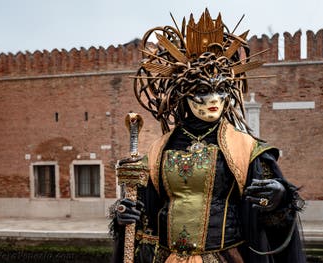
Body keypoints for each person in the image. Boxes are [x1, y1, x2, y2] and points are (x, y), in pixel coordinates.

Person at [110, 8, 306, 263]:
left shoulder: (246, 149)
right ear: (183, 94)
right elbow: (145, 216)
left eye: (221, 91)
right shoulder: (160, 150)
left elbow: (270, 216)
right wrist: (124, 213)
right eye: (203, 91)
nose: (214, 100)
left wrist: (278, 197)